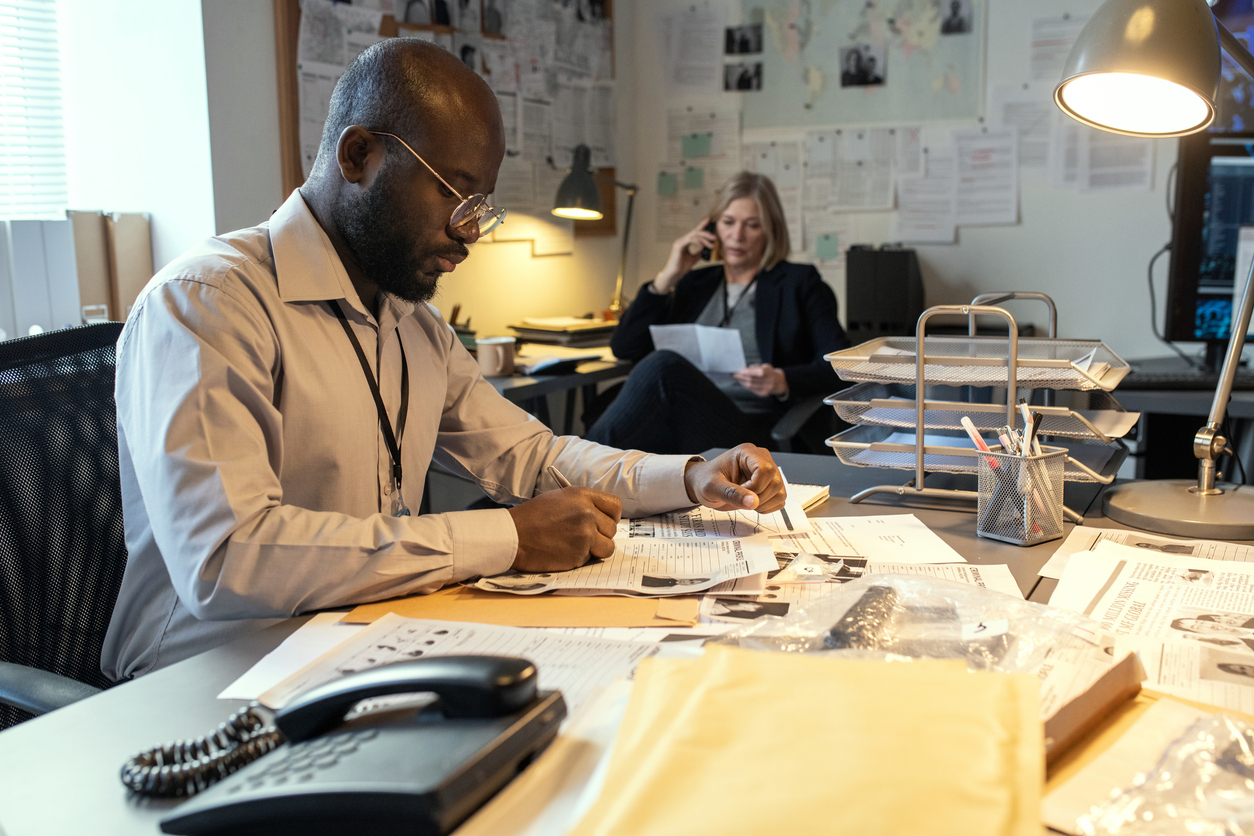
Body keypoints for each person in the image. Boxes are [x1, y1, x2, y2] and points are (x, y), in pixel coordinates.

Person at [101, 40, 787, 680]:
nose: (469, 231)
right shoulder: (208, 304)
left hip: (356, 643)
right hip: (204, 677)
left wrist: (691, 477)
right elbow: (228, 559)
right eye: (452, 192)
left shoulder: (413, 326)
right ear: (359, 155)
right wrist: (506, 537)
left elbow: (534, 457)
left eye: (480, 205)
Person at [586, 172, 849, 454]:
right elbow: (624, 348)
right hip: (679, 419)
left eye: (752, 225)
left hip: (751, 425)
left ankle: (576, 470)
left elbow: (841, 366)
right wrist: (668, 277)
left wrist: (782, 380)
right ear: (711, 227)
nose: (737, 236)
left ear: (770, 230)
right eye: (728, 222)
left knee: (663, 366)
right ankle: (580, 472)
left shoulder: (799, 283)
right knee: (653, 377)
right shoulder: (694, 283)